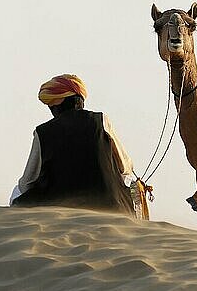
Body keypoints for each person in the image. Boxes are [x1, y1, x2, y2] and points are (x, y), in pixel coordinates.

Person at [9, 74, 135, 215]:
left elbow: (27, 182)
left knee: (16, 193)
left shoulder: (42, 132)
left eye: (52, 104)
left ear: (60, 103)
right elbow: (125, 166)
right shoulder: (101, 121)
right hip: (112, 205)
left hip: (58, 207)